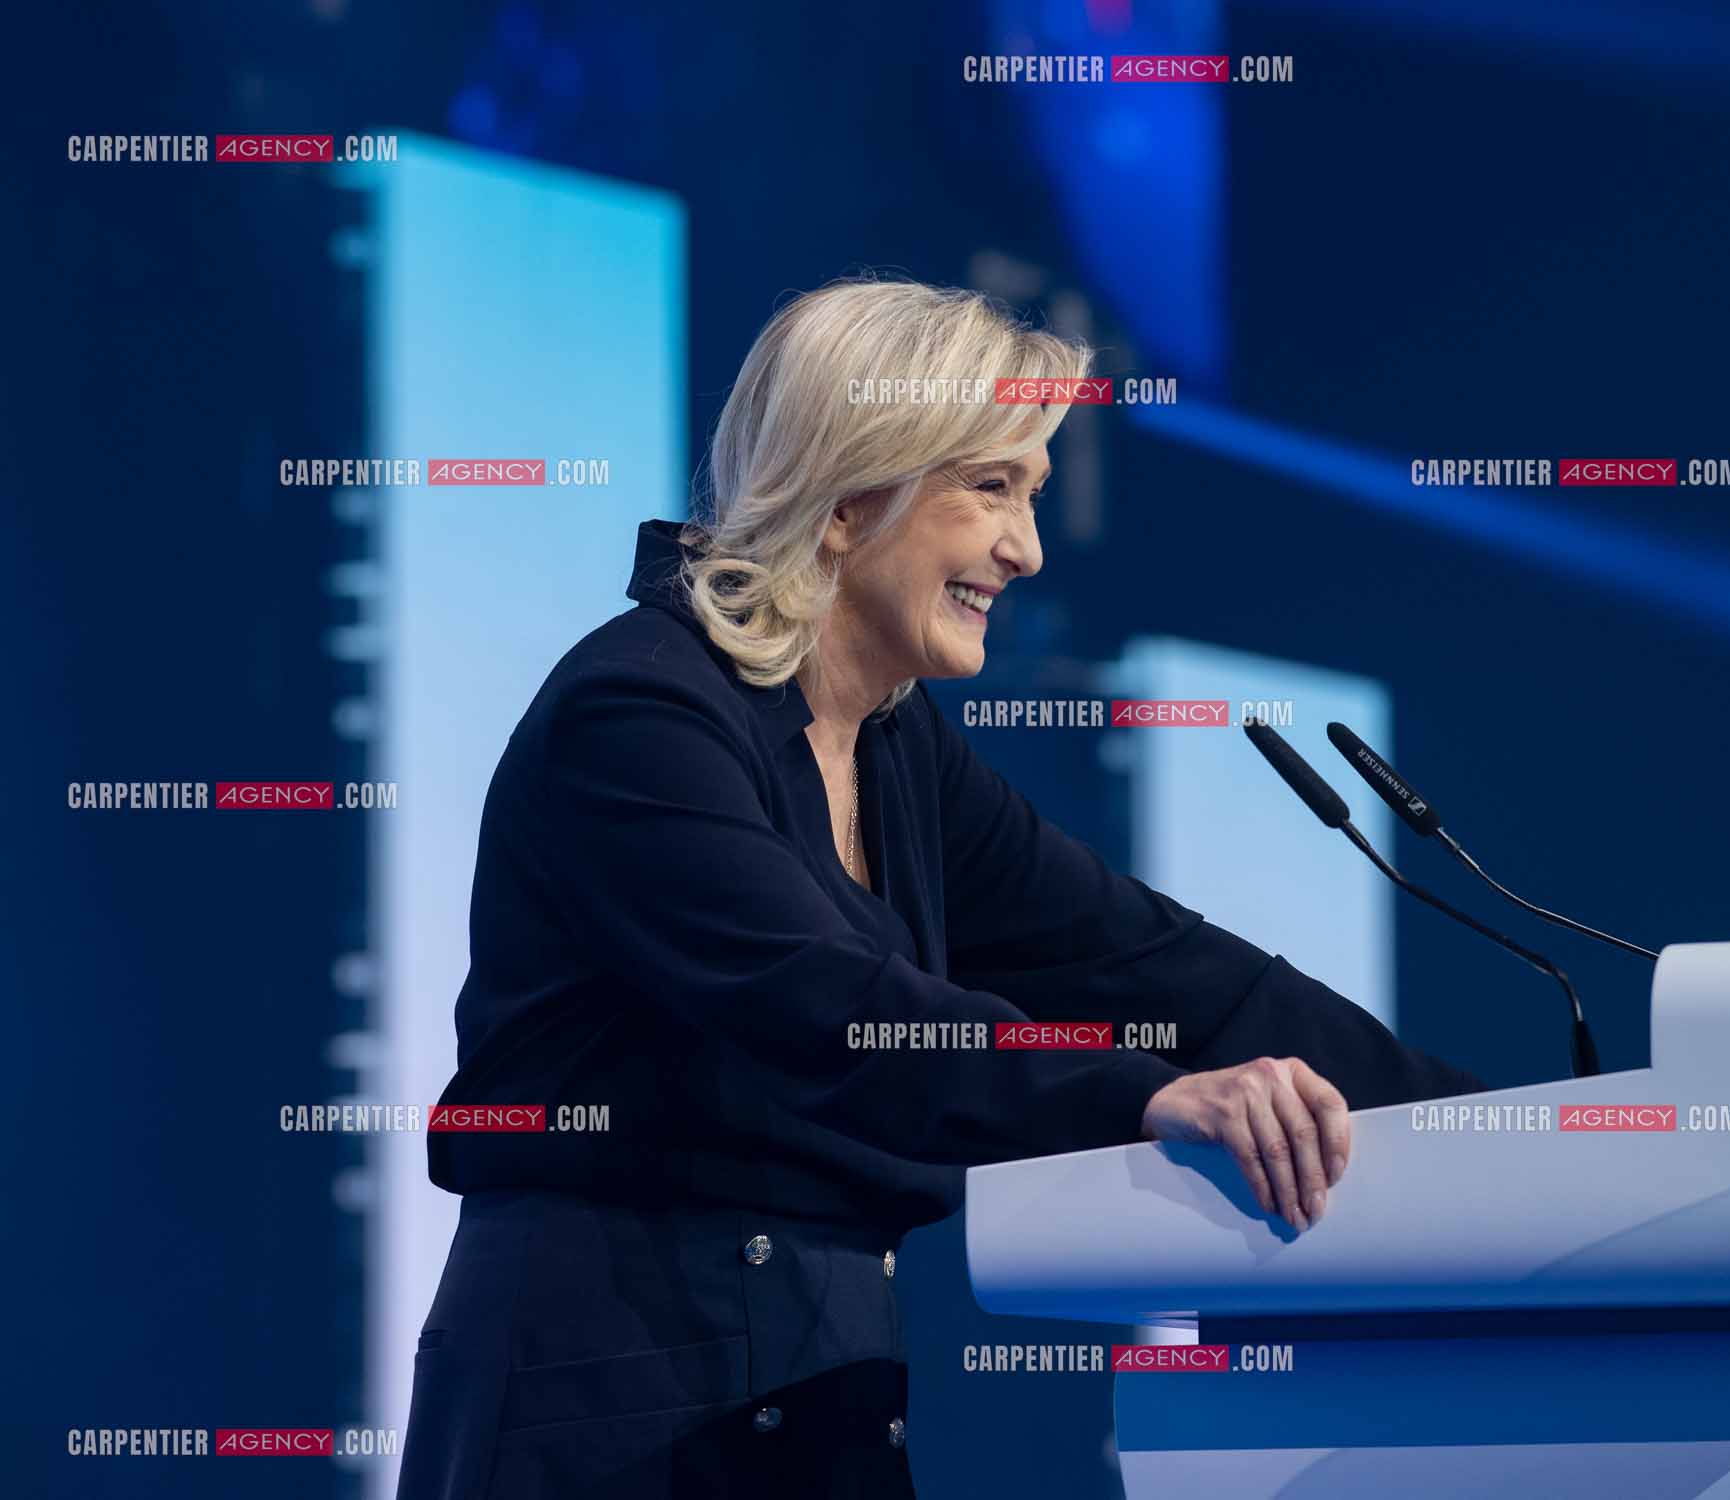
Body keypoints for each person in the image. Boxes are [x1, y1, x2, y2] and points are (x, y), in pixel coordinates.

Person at [395, 277, 1485, 1500]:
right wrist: (1153, 1100)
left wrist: (1480, 1130)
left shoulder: (898, 745)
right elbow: (835, 1013)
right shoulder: (638, 712)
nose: (1025, 548)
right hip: (607, 1399)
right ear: (854, 492)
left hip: (825, 1383)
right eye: (993, 489)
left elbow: (1155, 966)